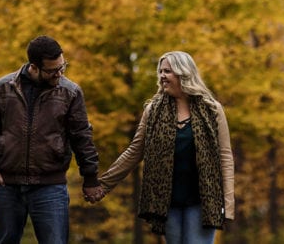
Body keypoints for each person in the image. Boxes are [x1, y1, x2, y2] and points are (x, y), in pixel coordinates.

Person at [91, 51, 234, 244]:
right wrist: (104, 185)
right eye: (160, 71)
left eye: (167, 71)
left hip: (203, 200)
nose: (162, 76)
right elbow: (134, 151)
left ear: (183, 73)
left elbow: (225, 157)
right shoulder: (153, 110)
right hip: (166, 201)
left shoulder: (212, 109)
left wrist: (228, 203)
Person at [0, 34, 105, 244]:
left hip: (50, 186)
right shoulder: (2, 88)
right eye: (53, 70)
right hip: (7, 186)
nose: (59, 73)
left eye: (63, 67)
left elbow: (82, 137)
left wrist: (90, 177)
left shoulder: (70, 92)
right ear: (34, 67)